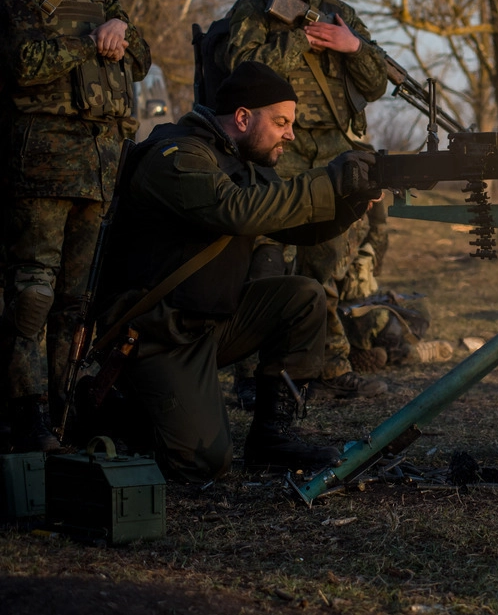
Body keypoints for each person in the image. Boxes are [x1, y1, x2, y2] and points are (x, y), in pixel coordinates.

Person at [90, 61, 382, 481]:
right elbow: (236, 211)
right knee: (205, 463)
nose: (290, 134)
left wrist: (351, 201)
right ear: (243, 118)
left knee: (302, 296)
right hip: (158, 336)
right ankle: (121, 410)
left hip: (211, 325)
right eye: (281, 122)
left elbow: (288, 220)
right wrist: (329, 180)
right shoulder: (178, 154)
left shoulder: (239, 160)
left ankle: (271, 439)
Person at [0, 0, 150, 452]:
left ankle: (66, 415)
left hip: (98, 169)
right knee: (31, 296)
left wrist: (121, 33)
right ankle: (26, 416)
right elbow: (25, 62)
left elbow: (141, 59)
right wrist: (91, 38)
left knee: (76, 301)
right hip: (39, 166)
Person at [225, 0, 390, 399]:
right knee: (268, 259)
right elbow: (239, 69)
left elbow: (377, 83)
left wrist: (350, 44)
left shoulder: (339, 9)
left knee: (328, 260)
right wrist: (300, 39)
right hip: (280, 146)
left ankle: (328, 368)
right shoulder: (258, 4)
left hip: (336, 148)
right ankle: (255, 376)